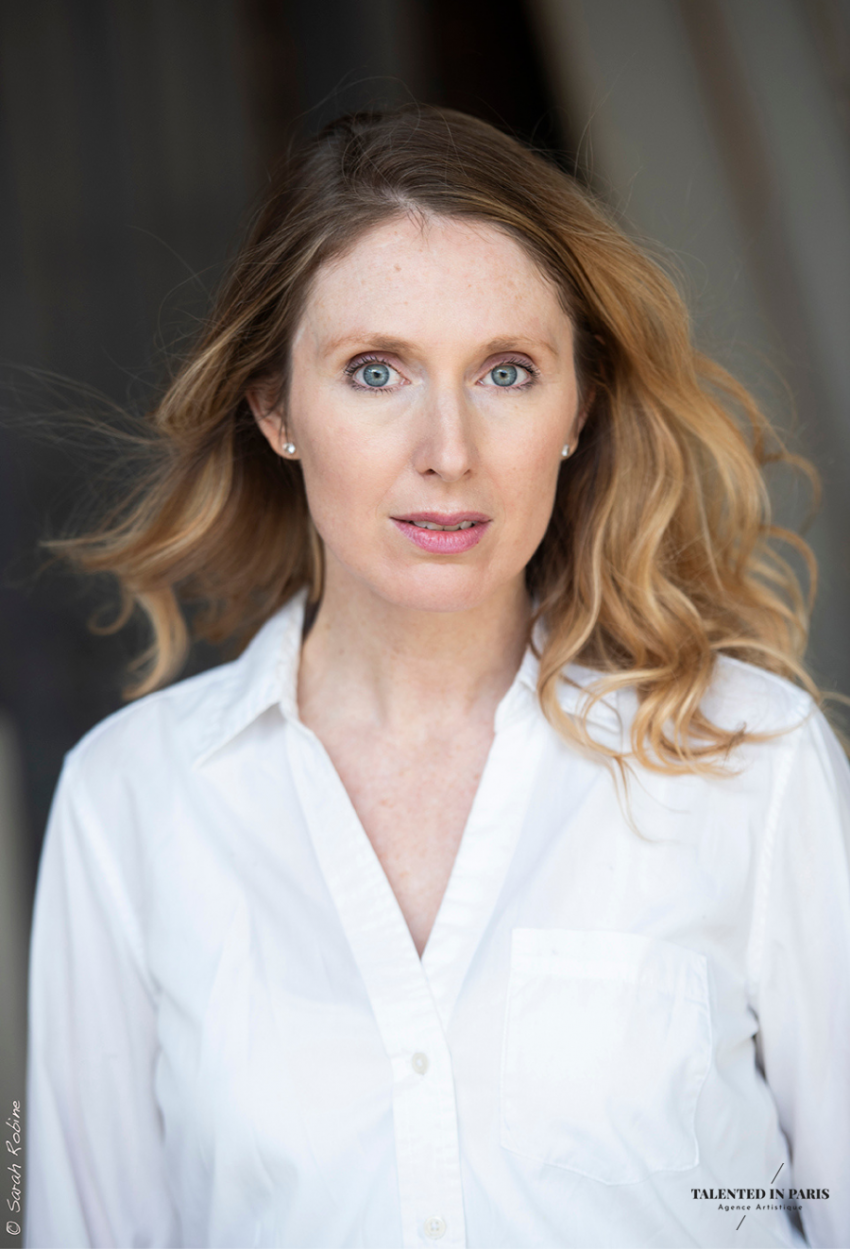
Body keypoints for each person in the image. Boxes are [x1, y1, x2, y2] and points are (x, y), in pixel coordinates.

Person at [24, 105, 850, 1249]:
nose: (448, 451)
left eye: (507, 371)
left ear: (578, 406)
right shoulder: (129, 804)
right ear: (275, 408)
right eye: (375, 371)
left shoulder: (749, 760)